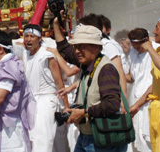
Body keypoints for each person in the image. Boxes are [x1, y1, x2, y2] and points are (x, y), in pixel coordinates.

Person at [53, 17, 127, 152]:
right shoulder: (87, 62)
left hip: (101, 138)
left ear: (96, 47)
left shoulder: (105, 68)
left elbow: (112, 104)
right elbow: (65, 50)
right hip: (87, 135)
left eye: (82, 46)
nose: (77, 51)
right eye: (76, 46)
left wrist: (84, 112)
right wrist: (56, 24)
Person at [20, 24, 69, 152]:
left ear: (39, 38)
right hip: (30, 102)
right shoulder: (25, 55)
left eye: (32, 36)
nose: (29, 39)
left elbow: (60, 83)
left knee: (43, 140)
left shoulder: (47, 56)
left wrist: (66, 107)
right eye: (26, 36)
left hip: (46, 102)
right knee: (30, 141)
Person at [129, 13, 160, 152]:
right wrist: (136, 105)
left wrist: (149, 48)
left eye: (157, 28)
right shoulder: (159, 51)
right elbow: (155, 85)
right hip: (156, 108)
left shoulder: (157, 52)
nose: (154, 31)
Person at [124, 28, 152, 152]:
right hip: (136, 102)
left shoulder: (156, 51)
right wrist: (116, 73)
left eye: (139, 47)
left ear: (147, 40)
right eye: (134, 47)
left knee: (149, 141)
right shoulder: (133, 52)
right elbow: (131, 78)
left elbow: (154, 85)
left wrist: (137, 105)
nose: (136, 49)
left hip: (150, 103)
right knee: (137, 142)